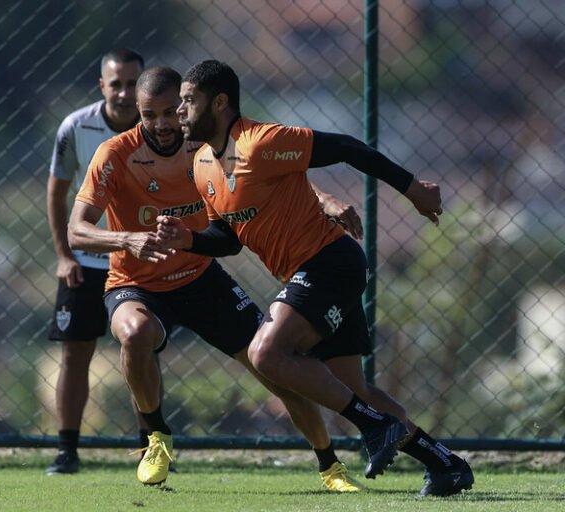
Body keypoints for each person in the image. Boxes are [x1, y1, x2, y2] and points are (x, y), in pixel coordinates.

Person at [157, 59, 474, 497]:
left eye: (188, 100)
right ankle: (446, 465)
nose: (179, 111)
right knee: (351, 389)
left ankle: (375, 426)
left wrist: (412, 188)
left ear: (220, 102)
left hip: (331, 263)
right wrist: (188, 240)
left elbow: (346, 147)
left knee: (266, 353)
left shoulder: (261, 142)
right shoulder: (202, 166)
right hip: (310, 274)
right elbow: (228, 239)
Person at [69, 65, 364, 491]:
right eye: (150, 115)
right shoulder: (114, 155)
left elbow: (269, 173)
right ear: (138, 112)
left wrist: (325, 198)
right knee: (134, 333)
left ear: (184, 106)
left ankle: (330, 466)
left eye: (170, 112)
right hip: (136, 286)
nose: (162, 124)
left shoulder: (205, 145)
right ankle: (156, 436)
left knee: (274, 365)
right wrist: (126, 239)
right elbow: (76, 231)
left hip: (201, 277)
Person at [45, 48, 149, 475]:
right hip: (85, 263)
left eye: (132, 84)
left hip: (139, 263)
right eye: (116, 84)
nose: (124, 93)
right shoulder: (75, 126)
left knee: (142, 350)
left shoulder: (160, 127)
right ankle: (66, 450)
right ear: (102, 85)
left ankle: (151, 450)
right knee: (75, 353)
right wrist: (63, 256)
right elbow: (57, 193)